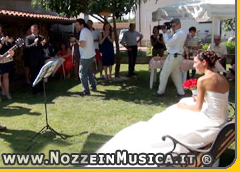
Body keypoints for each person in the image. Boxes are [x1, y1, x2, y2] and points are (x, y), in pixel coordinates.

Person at [93, 51, 229, 167]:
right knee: (175, 112)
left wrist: (184, 106)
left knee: (176, 112)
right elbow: (219, 100)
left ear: (204, 63)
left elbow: (198, 108)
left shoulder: (203, 80)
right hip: (222, 120)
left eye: (195, 62)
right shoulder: (222, 78)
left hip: (210, 122)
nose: (194, 65)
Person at [155, 19, 186, 97]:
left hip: (173, 55)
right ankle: (181, 92)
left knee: (164, 74)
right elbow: (171, 39)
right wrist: (167, 32)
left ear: (179, 24)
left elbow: (168, 43)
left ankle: (161, 91)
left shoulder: (179, 33)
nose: (173, 27)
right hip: (177, 55)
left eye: (174, 26)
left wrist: (165, 33)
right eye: (172, 26)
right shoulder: (180, 33)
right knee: (176, 74)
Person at [75, 19, 97, 95]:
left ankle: (86, 91)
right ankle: (93, 86)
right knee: (88, 71)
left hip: (86, 56)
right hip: (90, 55)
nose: (76, 26)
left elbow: (82, 44)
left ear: (82, 25)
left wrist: (76, 40)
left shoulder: (83, 32)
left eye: (77, 25)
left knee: (82, 73)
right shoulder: (87, 30)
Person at [25, 24, 46, 94]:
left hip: (40, 59)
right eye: (34, 30)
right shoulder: (28, 38)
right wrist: (34, 44)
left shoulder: (41, 37)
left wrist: (44, 44)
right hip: (33, 60)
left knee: (41, 74)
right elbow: (27, 47)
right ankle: (34, 90)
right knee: (34, 75)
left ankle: (41, 89)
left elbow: (45, 46)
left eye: (36, 29)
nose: (35, 31)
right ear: (31, 31)